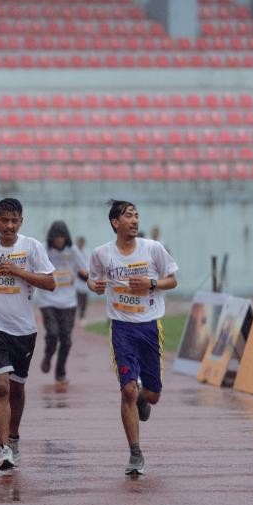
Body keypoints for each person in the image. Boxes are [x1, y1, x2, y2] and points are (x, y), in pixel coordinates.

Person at [88, 199, 179, 476]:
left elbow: (173, 280)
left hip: (149, 326)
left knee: (152, 395)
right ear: (115, 222)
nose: (135, 220)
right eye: (129, 216)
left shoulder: (153, 249)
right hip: (122, 328)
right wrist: (95, 286)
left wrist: (151, 283)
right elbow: (92, 279)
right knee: (127, 389)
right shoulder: (101, 254)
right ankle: (135, 453)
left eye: (137, 215)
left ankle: (143, 398)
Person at [0, 198, 55, 472]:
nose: (9, 226)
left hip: (23, 329)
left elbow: (50, 282)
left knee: (17, 388)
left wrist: (19, 271)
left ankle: (14, 437)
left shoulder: (32, 247)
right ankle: (4, 448)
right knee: (1, 386)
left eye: (14, 221)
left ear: (21, 221)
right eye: (4, 220)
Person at [35, 220, 89, 389]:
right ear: (51, 237)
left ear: (66, 237)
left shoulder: (72, 250)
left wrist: (85, 275)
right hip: (48, 300)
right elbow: (33, 268)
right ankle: (48, 355)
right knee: (52, 334)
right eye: (57, 237)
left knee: (66, 340)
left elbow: (83, 270)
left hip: (68, 302)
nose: (59, 240)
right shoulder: (43, 249)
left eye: (62, 237)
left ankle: (60, 372)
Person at [73, 234, 91, 325]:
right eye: (79, 242)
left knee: (84, 299)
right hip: (77, 279)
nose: (80, 244)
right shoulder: (74, 252)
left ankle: (82, 316)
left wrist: (87, 273)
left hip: (85, 279)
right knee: (76, 300)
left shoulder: (86, 252)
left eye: (81, 243)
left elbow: (88, 264)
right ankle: (75, 316)